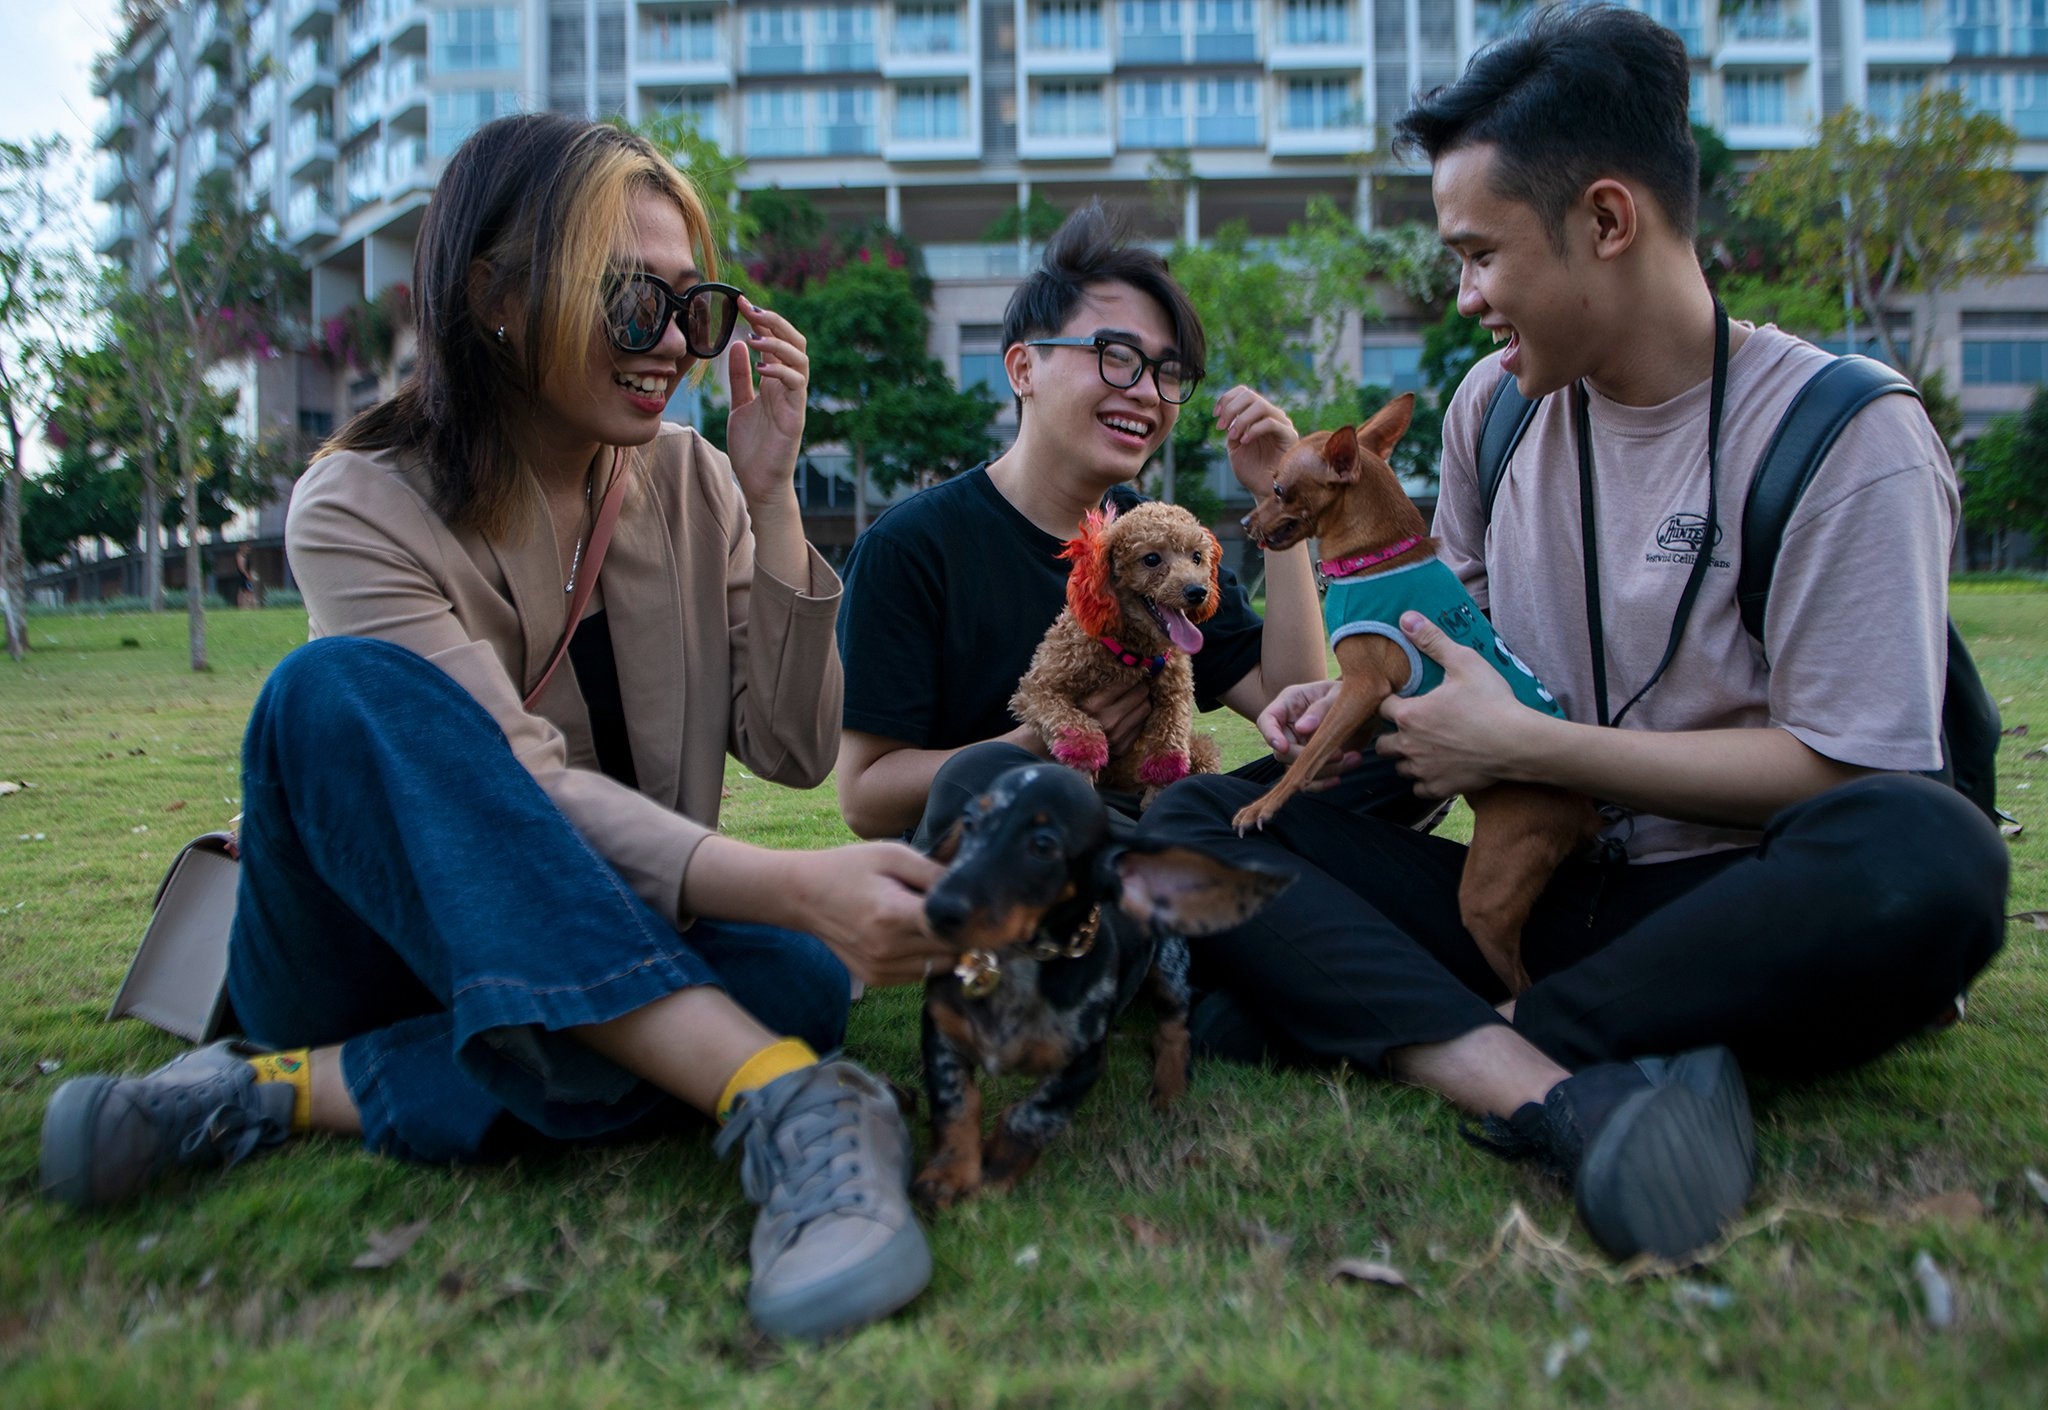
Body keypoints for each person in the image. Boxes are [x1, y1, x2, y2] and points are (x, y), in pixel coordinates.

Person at [37, 114, 955, 1342]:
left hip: (605, 937)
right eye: (635, 301)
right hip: (364, 955)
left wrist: (772, 492)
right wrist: (792, 885)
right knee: (327, 692)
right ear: (497, 298)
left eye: (697, 309)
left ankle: (276, 1095)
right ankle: (780, 1097)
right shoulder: (359, 502)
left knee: (791, 976)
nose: (674, 345)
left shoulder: (690, 482)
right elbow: (516, 792)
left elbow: (790, 746)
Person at [1138, 4, 2008, 1262]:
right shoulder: (1490, 412)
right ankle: (1538, 1070)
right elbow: (1453, 653)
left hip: (1731, 897)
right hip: (1529, 887)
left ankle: (1391, 1020)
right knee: (1193, 823)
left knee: (1931, 852)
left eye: (1479, 255)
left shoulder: (1843, 434)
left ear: (1606, 221)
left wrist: (1525, 753)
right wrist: (1366, 706)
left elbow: (1853, 768)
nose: (1465, 294)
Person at [834, 202, 1430, 856]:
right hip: (1011, 849)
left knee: (1390, 758)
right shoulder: (914, 545)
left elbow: (1289, 701)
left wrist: (1277, 497)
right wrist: (1048, 740)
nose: (1147, 392)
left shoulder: (1154, 540)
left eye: (1169, 373)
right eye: (1117, 356)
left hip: (1151, 818)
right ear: (1023, 368)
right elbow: (865, 796)